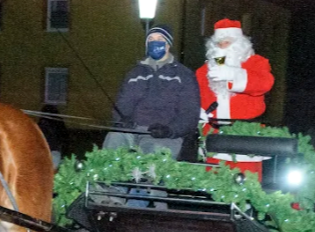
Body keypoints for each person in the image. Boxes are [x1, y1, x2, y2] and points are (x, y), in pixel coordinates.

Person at [103, 24, 200, 159]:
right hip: (133, 131)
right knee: (113, 139)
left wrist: (170, 130)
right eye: (151, 39)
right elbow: (122, 104)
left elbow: (190, 113)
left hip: (164, 135)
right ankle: (105, 178)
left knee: (153, 152)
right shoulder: (134, 73)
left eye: (160, 39)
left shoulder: (183, 75)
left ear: (168, 44)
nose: (155, 43)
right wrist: (121, 120)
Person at [196, 18, 275, 175]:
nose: (223, 47)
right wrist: (196, 111)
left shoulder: (256, 63)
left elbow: (264, 83)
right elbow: (194, 97)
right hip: (213, 139)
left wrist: (233, 74)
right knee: (212, 187)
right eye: (219, 43)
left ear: (240, 44)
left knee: (246, 186)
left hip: (245, 139)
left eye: (228, 42)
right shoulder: (203, 72)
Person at [37, 104, 69, 170]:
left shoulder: (41, 125)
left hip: (45, 153)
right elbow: (65, 137)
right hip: (55, 151)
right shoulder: (60, 123)